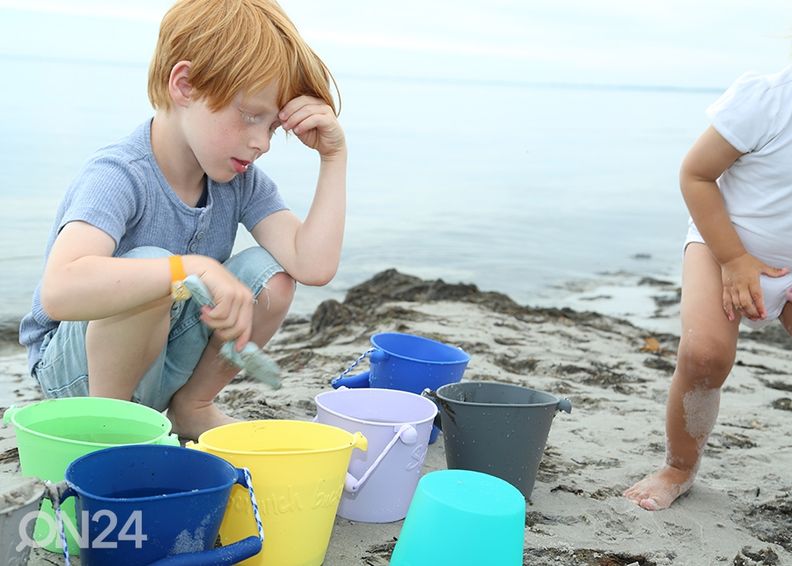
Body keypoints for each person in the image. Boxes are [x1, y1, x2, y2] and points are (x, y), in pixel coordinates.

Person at [18, 0, 347, 441]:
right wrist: (191, 267)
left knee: (272, 279)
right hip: (79, 378)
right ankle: (111, 428)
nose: (261, 143)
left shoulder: (240, 179)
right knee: (156, 269)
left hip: (162, 362)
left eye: (272, 127)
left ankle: (192, 406)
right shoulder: (119, 175)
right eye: (251, 115)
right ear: (186, 85)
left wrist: (333, 156)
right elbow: (59, 290)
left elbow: (313, 265)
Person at [624, 65, 792, 510]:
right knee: (704, 357)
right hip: (723, 247)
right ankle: (678, 467)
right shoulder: (768, 100)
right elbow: (696, 175)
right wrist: (734, 259)